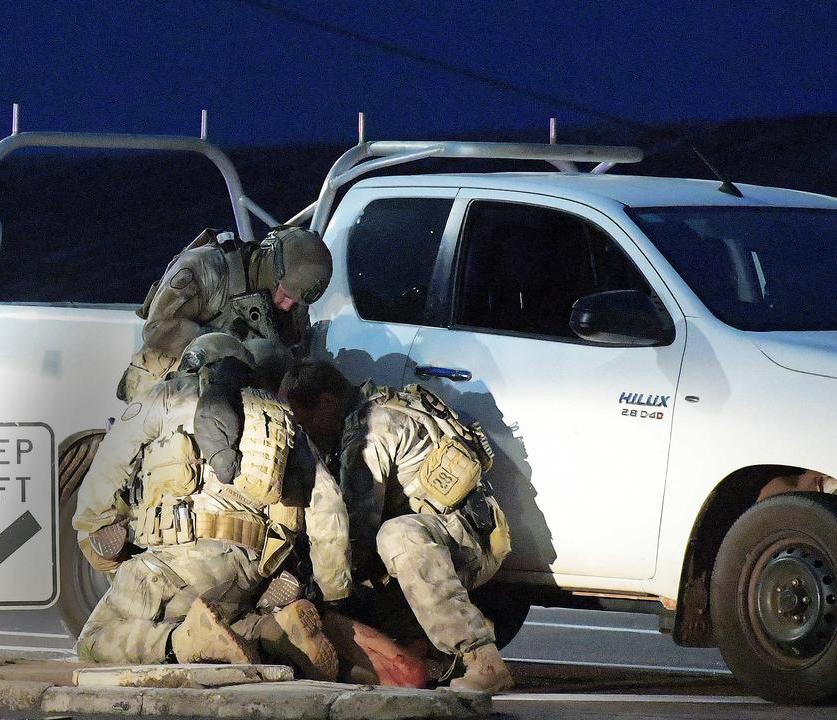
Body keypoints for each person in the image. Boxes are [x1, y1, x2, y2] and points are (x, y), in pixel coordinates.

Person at [73, 334, 350, 680]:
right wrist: (332, 593)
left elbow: (101, 485)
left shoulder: (165, 397)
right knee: (227, 617)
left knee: (94, 639)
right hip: (252, 573)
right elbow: (329, 508)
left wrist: (103, 550)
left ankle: (186, 643)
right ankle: (273, 631)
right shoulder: (281, 417)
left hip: (177, 560)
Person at [279, 359, 515, 692]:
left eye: (305, 420)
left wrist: (315, 583)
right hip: (467, 536)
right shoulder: (381, 401)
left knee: (394, 538)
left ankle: (484, 660)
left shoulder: (368, 435)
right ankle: (421, 649)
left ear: (327, 402)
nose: (307, 432)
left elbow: (356, 535)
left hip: (462, 549)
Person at [119, 225, 333, 402]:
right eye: (285, 295)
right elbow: (157, 329)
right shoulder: (206, 267)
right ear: (272, 269)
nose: (287, 306)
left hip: (228, 393)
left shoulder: (295, 297)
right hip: (164, 386)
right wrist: (232, 347)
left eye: (295, 301)